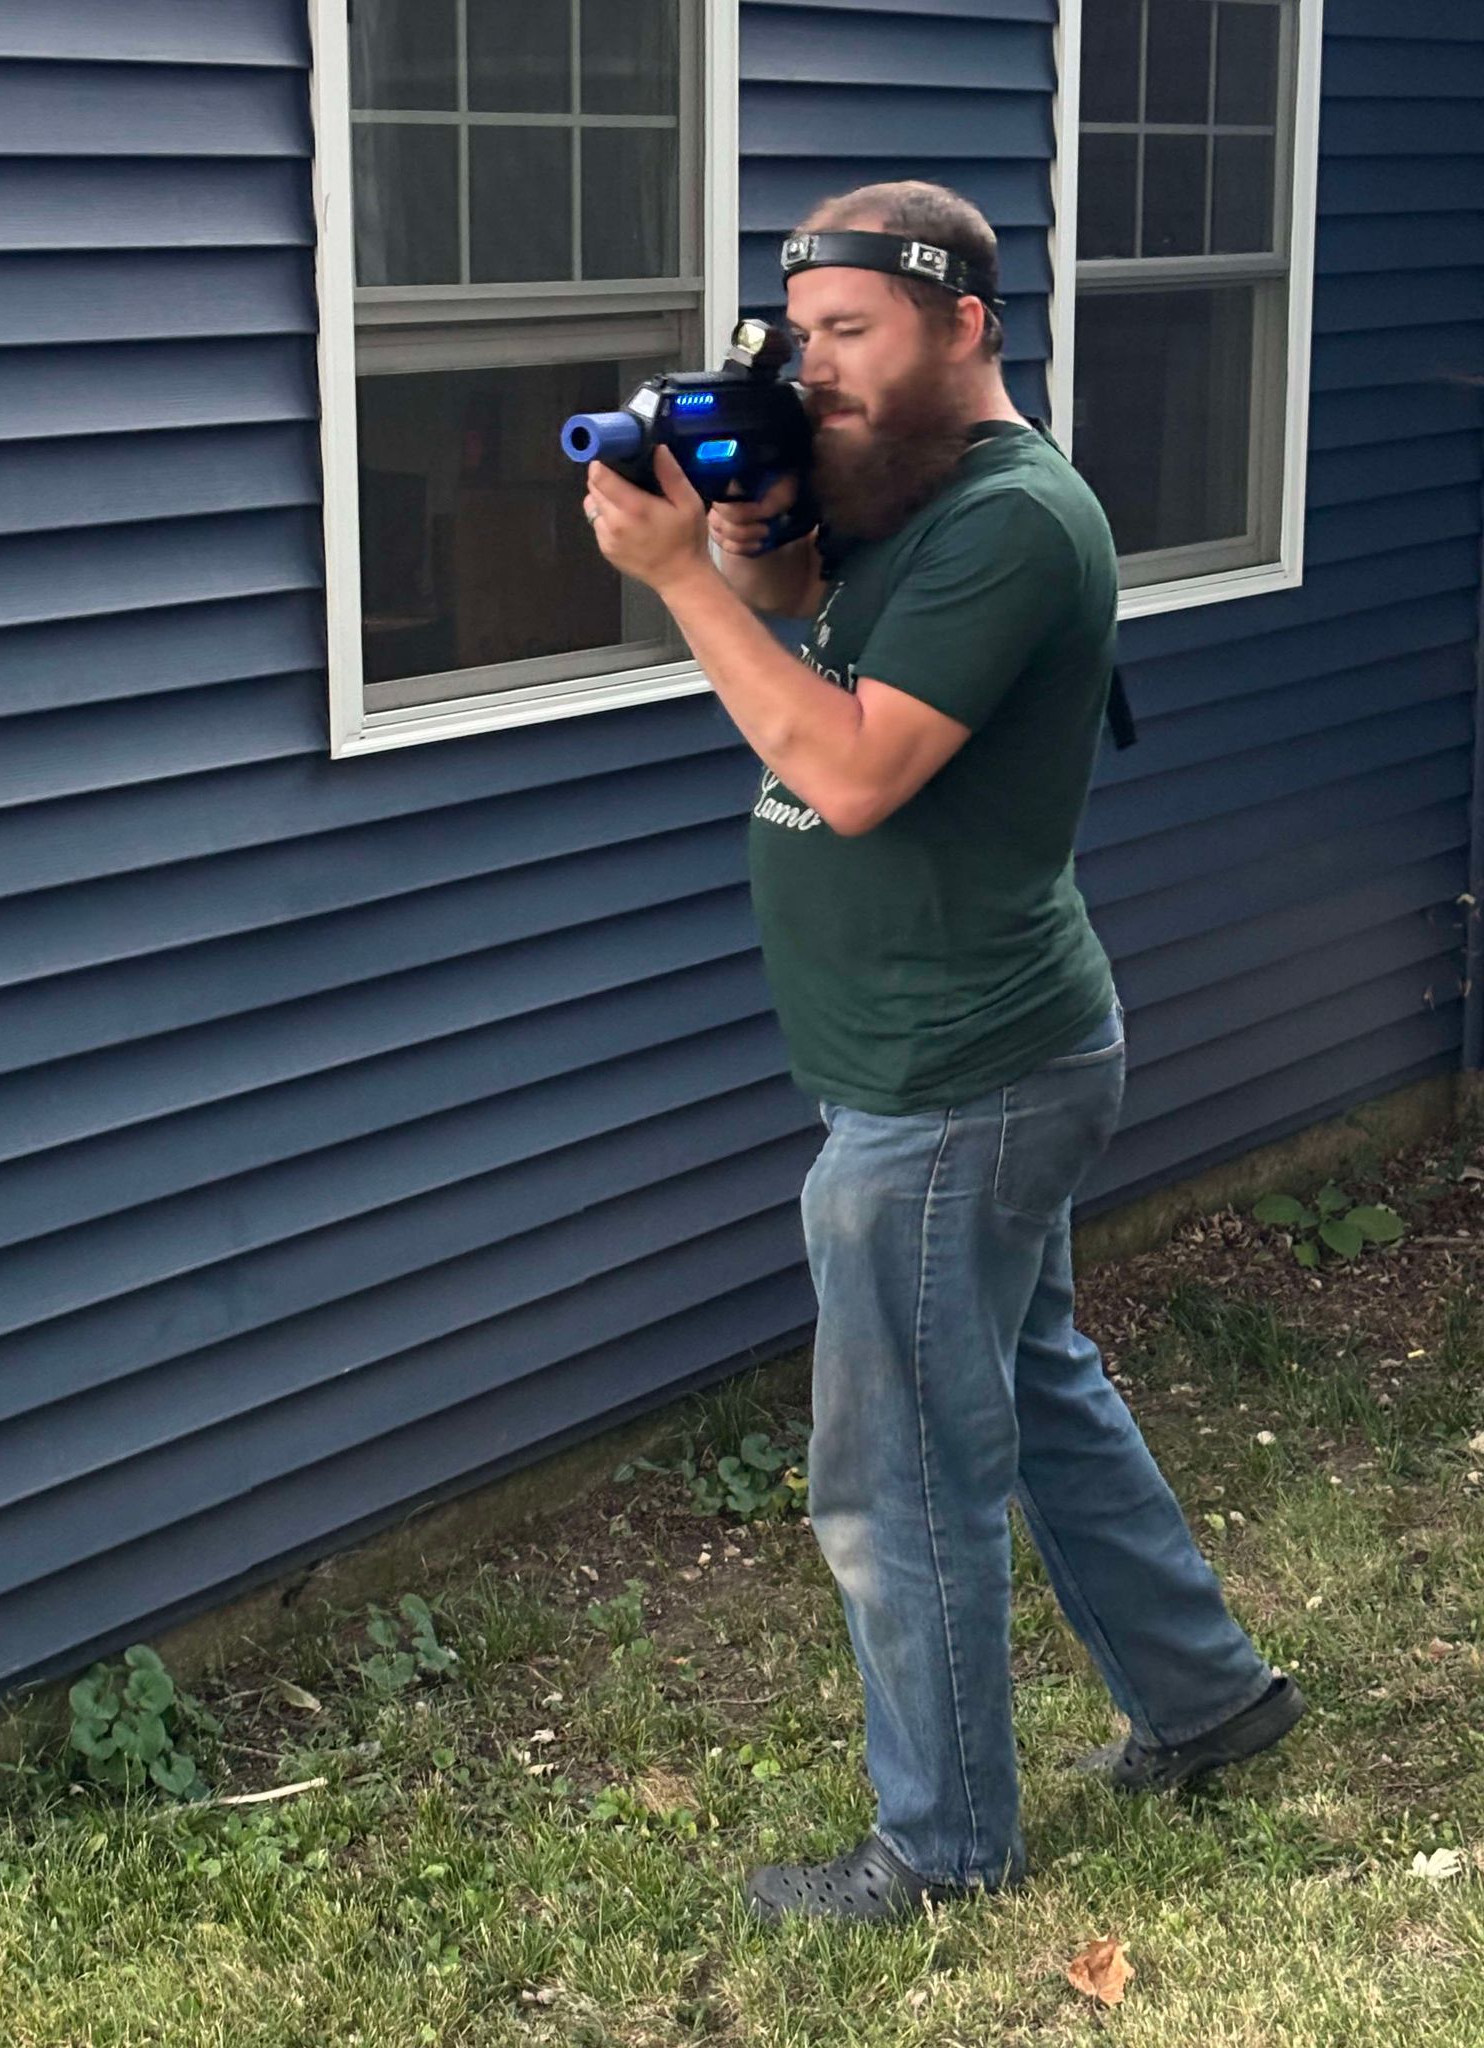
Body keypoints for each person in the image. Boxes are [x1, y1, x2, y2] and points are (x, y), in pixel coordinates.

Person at [581, 180, 1303, 1926]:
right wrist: (749, 527)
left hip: (952, 1079)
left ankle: (943, 1846)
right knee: (1035, 1389)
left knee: (900, 1470)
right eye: (798, 333)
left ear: (963, 325)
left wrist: (682, 582)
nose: (815, 367)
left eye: (853, 335)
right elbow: (816, 621)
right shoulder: (897, 492)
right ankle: (1211, 1703)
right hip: (957, 1051)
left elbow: (845, 770)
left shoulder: (1013, 521)